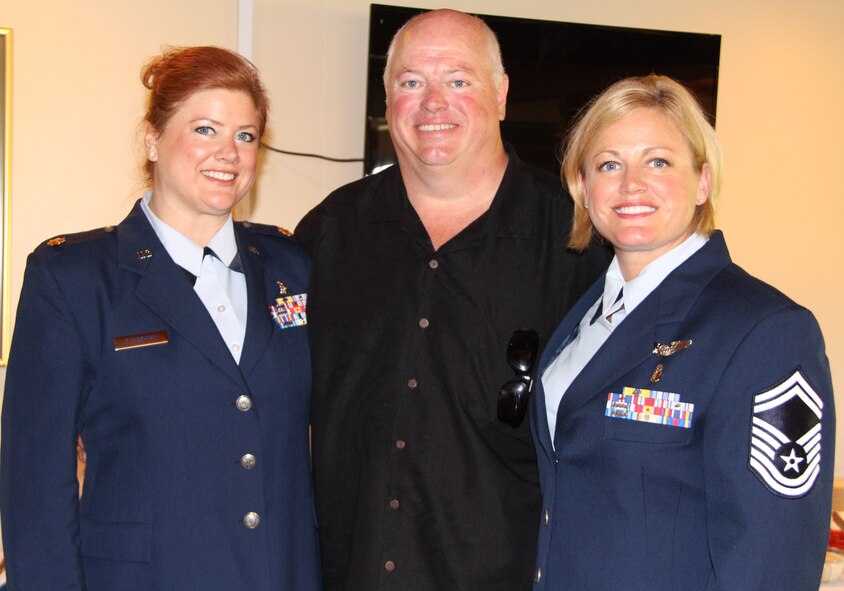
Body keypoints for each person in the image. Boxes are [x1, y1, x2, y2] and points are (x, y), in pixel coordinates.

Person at [295, 9, 609, 591]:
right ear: (388, 100)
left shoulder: (579, 241)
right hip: (346, 572)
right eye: (412, 82)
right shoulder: (329, 232)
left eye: (459, 81)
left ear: (502, 95)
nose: (433, 103)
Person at [0, 46, 320, 590]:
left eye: (245, 135)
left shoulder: (293, 265)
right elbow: (35, 482)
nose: (229, 152)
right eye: (204, 129)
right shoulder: (75, 279)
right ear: (152, 139)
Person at [531, 74, 835, 590]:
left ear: (702, 181)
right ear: (582, 187)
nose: (631, 184)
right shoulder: (582, 320)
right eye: (609, 164)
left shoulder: (766, 331)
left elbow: (770, 564)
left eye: (658, 161)